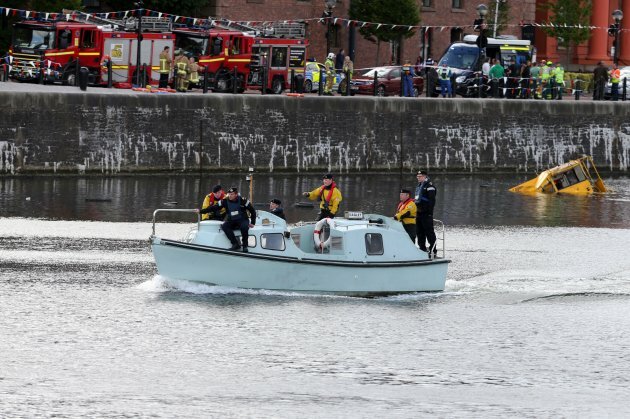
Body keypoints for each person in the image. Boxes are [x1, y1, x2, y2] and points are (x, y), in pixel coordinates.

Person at [211, 187, 256, 252]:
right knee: (224, 226)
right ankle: (235, 244)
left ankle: (245, 246)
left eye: (232, 194)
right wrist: (201, 211)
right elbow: (213, 207)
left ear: (236, 194)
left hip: (242, 219)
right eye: (229, 194)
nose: (230, 195)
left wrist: (253, 222)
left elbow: (252, 211)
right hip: (232, 220)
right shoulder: (225, 201)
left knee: (244, 227)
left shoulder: (243, 200)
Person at [414, 170, 437, 257]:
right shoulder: (419, 186)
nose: (418, 178)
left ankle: (433, 250)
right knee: (419, 232)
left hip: (426, 214)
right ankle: (422, 249)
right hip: (418, 213)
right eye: (417, 177)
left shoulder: (430, 186)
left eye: (420, 176)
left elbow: (432, 201)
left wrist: (429, 213)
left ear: (425, 177)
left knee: (429, 232)